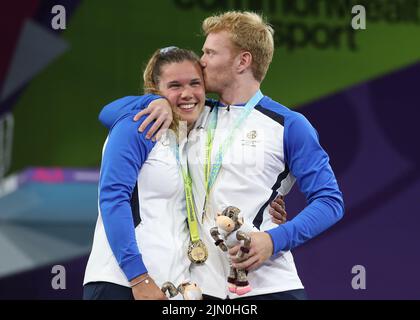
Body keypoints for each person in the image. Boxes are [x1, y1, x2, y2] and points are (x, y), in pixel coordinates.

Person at [122, 11, 344, 300]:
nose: (200, 61)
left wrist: (273, 240)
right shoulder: (190, 114)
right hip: (203, 289)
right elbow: (109, 113)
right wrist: (153, 101)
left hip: (269, 287)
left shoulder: (289, 125)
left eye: (210, 52)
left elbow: (330, 202)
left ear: (243, 61)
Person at [83, 47, 287, 300]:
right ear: (156, 90)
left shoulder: (185, 137)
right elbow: (113, 199)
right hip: (122, 282)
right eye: (175, 85)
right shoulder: (138, 124)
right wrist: (138, 277)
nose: (187, 94)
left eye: (195, 83)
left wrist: (267, 208)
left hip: (171, 286)